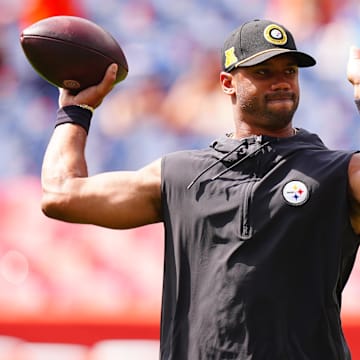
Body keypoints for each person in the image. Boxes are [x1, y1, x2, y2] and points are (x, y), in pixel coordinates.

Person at [41, 19, 360, 359]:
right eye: (264, 72)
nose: (282, 82)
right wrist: (76, 110)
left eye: (290, 71)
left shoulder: (336, 172)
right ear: (227, 83)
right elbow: (62, 195)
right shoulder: (182, 175)